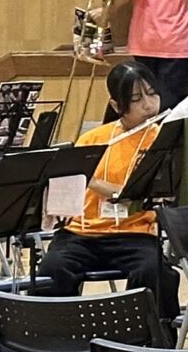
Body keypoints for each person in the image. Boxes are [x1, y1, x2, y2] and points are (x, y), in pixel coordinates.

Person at [41, 61, 177, 323]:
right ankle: (58, 346)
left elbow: (139, 193)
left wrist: (93, 181)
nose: (148, 105)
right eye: (136, 99)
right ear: (116, 106)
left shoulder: (163, 141)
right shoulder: (93, 139)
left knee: (155, 270)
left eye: (152, 94)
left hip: (135, 233)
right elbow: (66, 196)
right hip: (83, 234)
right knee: (52, 268)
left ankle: (146, 341)